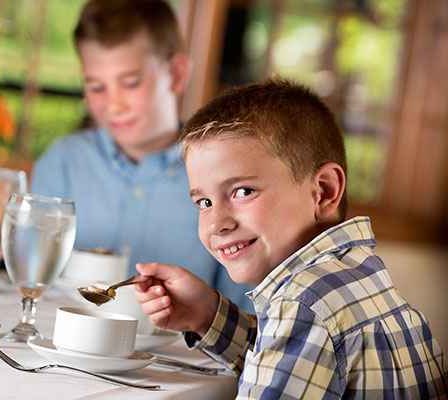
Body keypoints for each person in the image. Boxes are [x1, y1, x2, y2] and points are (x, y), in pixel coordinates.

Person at [135, 78, 448, 398]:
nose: (216, 223)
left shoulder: (304, 301)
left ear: (324, 191)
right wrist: (206, 314)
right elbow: (294, 363)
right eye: (204, 203)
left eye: (243, 191)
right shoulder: (352, 274)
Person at [31, 0, 254, 312]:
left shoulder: (223, 178)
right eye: (96, 86)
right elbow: (31, 276)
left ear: (176, 75)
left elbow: (246, 312)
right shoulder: (63, 163)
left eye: (131, 82)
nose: (114, 104)